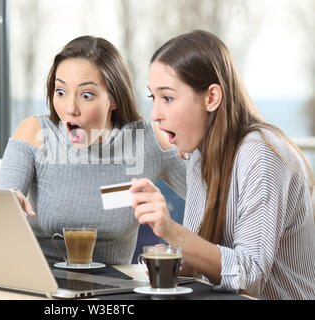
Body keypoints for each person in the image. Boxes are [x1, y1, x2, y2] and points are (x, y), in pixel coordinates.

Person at [130, 29, 315, 299]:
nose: (155, 114)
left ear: (211, 98)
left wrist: (174, 233)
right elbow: (212, 259)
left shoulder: (262, 153)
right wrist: (182, 261)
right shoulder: (199, 154)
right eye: (153, 98)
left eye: (167, 98)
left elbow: (250, 276)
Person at [0, 35, 187, 265]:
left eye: (86, 95)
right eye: (61, 92)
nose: (70, 109)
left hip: (116, 289)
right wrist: (7, 204)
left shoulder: (150, 141)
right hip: (41, 283)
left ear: (113, 98)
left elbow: (212, 200)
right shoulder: (35, 132)